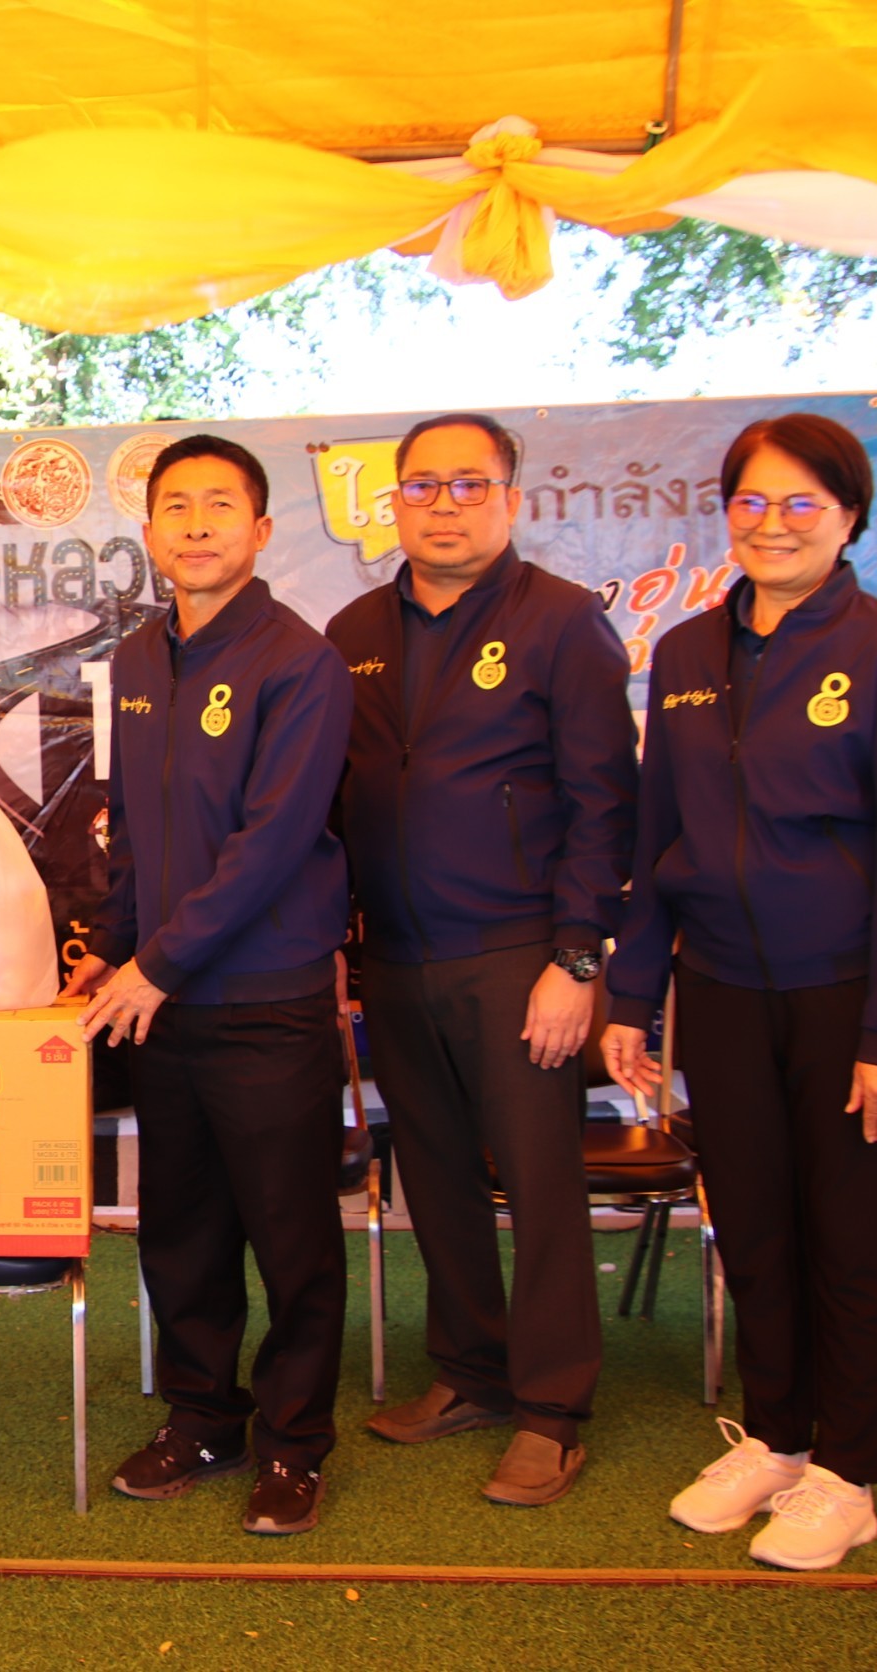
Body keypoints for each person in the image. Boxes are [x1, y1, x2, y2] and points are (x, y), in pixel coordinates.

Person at [601, 412, 877, 1571]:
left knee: (846, 1235)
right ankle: (780, 1439)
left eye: (802, 502)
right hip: (720, 988)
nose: (773, 523)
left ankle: (848, 1476)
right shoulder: (688, 655)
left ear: (850, 517)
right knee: (752, 1228)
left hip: (849, 995)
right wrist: (630, 993)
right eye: (752, 502)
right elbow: (659, 836)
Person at [325, 414, 637, 1506]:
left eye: (469, 484)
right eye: (422, 486)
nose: (443, 504)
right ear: (395, 503)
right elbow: (335, 799)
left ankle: (552, 1410)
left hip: (521, 956)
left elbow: (607, 804)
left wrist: (577, 958)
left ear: (511, 499)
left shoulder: (562, 622)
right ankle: (470, 1372)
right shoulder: (355, 629)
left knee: (540, 1183)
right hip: (396, 955)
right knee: (436, 1174)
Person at [63, 433, 355, 1536]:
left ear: (262, 530)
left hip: (266, 1000)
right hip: (162, 1003)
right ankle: (201, 1419)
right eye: (175, 506)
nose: (196, 524)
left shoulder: (301, 662)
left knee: (291, 1235)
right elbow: (135, 827)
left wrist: (159, 962)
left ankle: (294, 1444)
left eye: (219, 505)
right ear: (149, 534)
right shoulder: (140, 658)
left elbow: (274, 842)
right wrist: (114, 943)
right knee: (180, 1227)